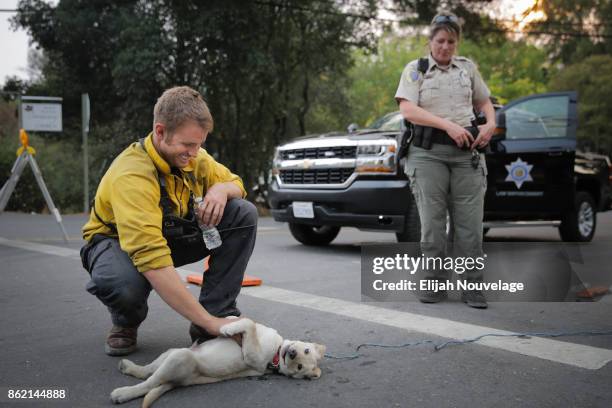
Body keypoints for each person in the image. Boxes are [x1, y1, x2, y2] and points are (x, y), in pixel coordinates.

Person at [80, 86, 258, 355]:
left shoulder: (195, 157)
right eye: (188, 145)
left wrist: (221, 190)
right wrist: (210, 323)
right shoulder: (132, 175)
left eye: (199, 144)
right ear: (161, 132)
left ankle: (216, 313)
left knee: (242, 213)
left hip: (170, 237)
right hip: (117, 245)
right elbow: (151, 256)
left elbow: (237, 183)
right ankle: (126, 322)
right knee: (121, 283)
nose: (195, 153)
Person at [395, 12, 496, 308]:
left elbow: (484, 101)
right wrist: (447, 125)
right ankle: (434, 285)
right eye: (440, 41)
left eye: (451, 41)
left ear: (457, 43)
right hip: (428, 156)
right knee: (433, 226)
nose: (445, 47)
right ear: (430, 41)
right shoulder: (417, 69)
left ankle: (472, 287)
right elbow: (408, 111)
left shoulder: (467, 69)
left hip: (467, 155)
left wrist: (490, 123)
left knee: (470, 227)